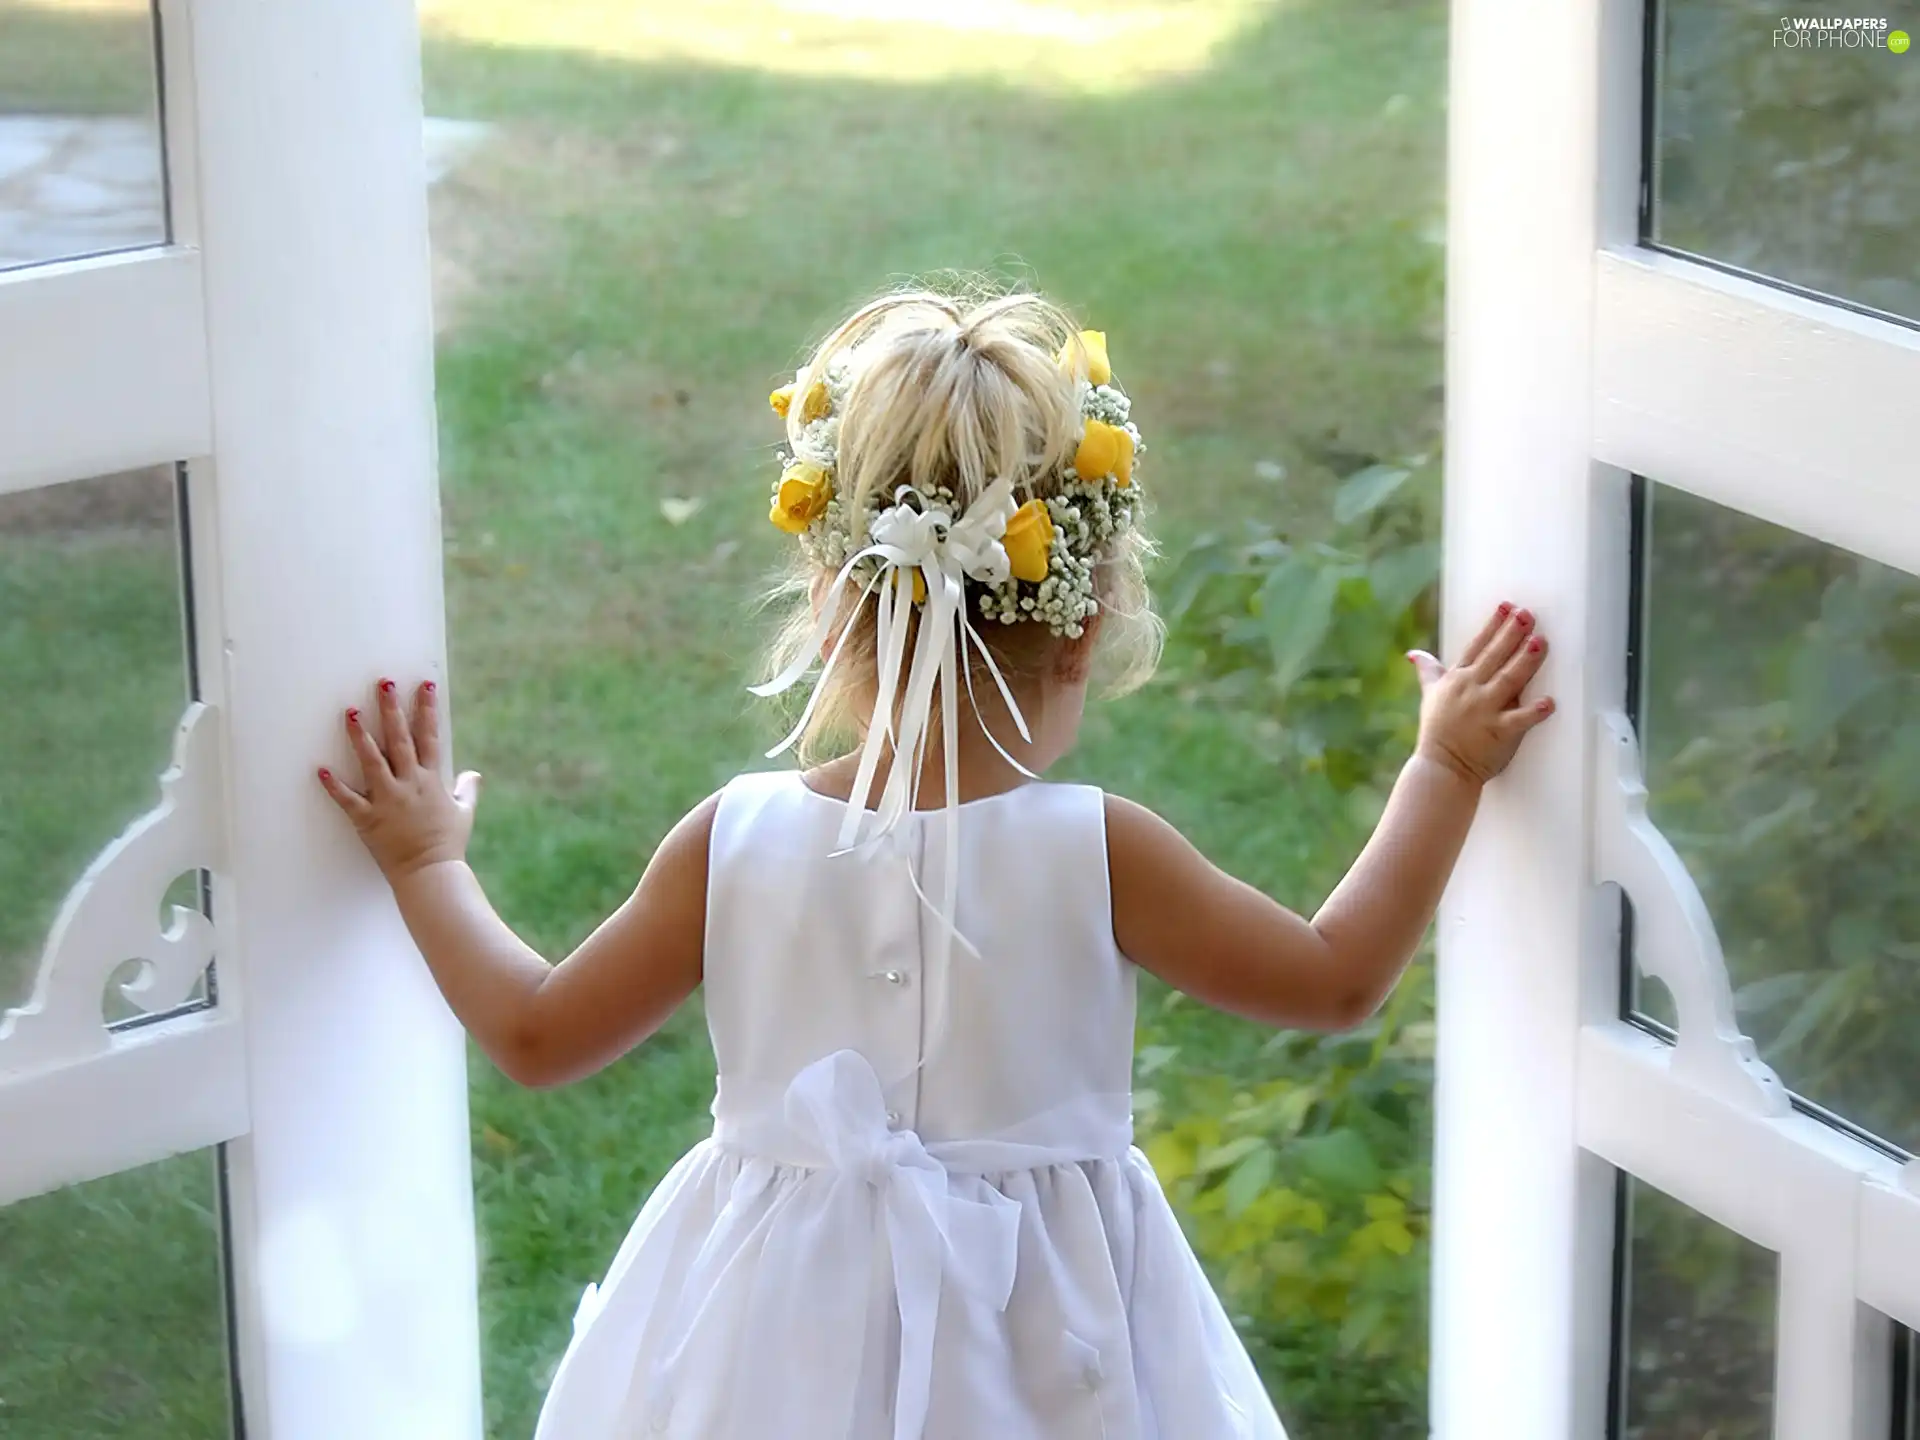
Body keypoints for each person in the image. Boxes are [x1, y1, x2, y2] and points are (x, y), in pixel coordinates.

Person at [318, 287, 1554, 1438]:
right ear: (1084, 625)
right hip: (1051, 1336)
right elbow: (1336, 980)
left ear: (825, 602)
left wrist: (427, 862)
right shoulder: (1101, 852)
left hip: (767, 1343)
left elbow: (537, 1035)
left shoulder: (732, 840)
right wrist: (1443, 771)